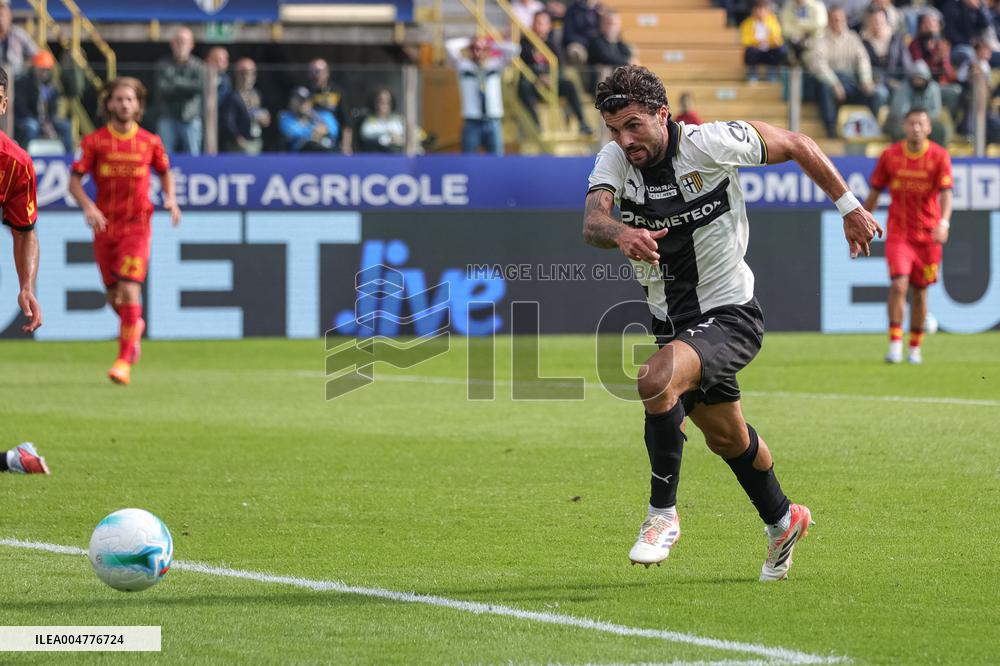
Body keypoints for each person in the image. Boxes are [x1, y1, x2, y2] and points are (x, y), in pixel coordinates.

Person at [583, 64, 881, 580]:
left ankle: (661, 515)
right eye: (614, 129)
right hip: (671, 321)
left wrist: (849, 206)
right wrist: (620, 233)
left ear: (662, 114)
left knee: (654, 379)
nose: (624, 140)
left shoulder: (712, 144)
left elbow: (798, 144)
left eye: (633, 125)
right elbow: (593, 222)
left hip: (729, 311)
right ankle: (783, 519)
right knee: (728, 438)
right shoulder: (614, 160)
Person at [69, 77, 182, 386]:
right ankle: (135, 326)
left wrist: (170, 198)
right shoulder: (94, 142)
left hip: (137, 226)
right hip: (105, 227)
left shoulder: (149, 141)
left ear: (138, 105)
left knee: (130, 290)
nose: (124, 104)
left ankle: (123, 361)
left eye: (129, 99)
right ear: (108, 104)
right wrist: (89, 207)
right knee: (114, 297)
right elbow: (74, 182)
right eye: (118, 99)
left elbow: (164, 172)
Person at [863, 108, 952, 365]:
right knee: (899, 285)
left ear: (929, 128)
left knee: (921, 292)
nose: (916, 128)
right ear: (904, 126)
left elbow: (946, 193)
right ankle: (894, 345)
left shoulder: (939, 156)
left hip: (928, 236)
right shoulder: (890, 156)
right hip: (899, 234)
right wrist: (862, 221)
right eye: (912, 123)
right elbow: (875, 192)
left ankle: (915, 348)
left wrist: (944, 223)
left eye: (921, 123)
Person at [0, 65, 48, 475]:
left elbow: (24, 231)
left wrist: (26, 285)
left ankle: (12, 460)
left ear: (3, 103)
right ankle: (13, 460)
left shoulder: (15, 163)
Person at [808, 7, 882, 137]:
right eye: (835, 19)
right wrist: (834, 83)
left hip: (850, 82)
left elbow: (862, 60)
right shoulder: (820, 39)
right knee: (826, 89)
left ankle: (873, 129)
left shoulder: (853, 38)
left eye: (841, 19)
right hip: (828, 83)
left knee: (876, 93)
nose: (838, 22)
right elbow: (818, 65)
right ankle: (831, 130)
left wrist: (866, 80)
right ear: (829, 21)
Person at [518, 11, 593, 135]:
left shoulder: (552, 44)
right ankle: (537, 125)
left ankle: (582, 123)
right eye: (537, 22)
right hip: (533, 84)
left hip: (550, 83)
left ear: (549, 26)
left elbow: (560, 66)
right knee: (523, 87)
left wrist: (550, 78)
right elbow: (523, 67)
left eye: (542, 23)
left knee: (569, 84)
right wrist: (538, 77)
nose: (539, 25)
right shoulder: (525, 43)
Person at [446, 36, 519, 155]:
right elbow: (449, 46)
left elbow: (514, 49)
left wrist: (491, 44)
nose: (478, 52)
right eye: (474, 49)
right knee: (468, 159)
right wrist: (469, 42)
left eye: (482, 49)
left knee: (496, 159)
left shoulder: (495, 65)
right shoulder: (464, 66)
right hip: (472, 121)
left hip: (493, 121)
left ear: (488, 50)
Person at [155, 27, 205, 155]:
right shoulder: (163, 64)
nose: (181, 45)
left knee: (193, 156)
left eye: (184, 41)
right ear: (172, 44)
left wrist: (175, 82)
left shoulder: (199, 65)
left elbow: (198, 87)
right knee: (164, 157)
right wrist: (187, 87)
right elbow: (163, 88)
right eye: (178, 41)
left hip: (191, 118)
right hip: (167, 117)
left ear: (192, 44)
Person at [14, 50, 72, 152]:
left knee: (66, 126)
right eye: (41, 69)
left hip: (47, 121)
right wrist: (42, 125)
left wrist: (49, 125)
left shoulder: (52, 87)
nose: (44, 72)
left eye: (47, 69)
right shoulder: (24, 83)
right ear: (35, 68)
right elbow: (22, 108)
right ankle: (24, 156)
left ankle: (68, 158)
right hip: (30, 119)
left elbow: (53, 110)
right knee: (31, 127)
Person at [885, 61, 949, 144]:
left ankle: (936, 152)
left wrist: (922, 122)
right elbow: (900, 111)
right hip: (902, 121)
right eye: (916, 78)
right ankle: (903, 152)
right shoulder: (903, 88)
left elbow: (935, 111)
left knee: (939, 130)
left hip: (926, 121)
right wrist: (914, 121)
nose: (918, 81)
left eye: (921, 79)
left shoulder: (933, 88)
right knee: (901, 131)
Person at [219, 57, 270, 154]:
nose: (248, 77)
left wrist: (265, 119)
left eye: (252, 73)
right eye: (244, 73)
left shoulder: (257, 94)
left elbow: (260, 114)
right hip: (239, 145)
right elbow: (228, 122)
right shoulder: (231, 97)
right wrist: (237, 137)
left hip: (256, 141)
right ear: (237, 74)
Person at [306, 59, 352, 154]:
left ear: (327, 73)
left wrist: (346, 145)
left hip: (333, 144)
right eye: (312, 71)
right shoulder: (305, 92)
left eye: (318, 71)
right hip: (309, 141)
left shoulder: (337, 92)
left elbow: (346, 121)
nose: (316, 75)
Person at [862, 8, 911, 89]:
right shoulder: (863, 42)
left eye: (880, 20)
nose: (877, 24)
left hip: (898, 82)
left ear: (886, 21)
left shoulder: (896, 40)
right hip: (875, 84)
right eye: (874, 21)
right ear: (868, 23)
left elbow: (906, 66)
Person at [279, 86, 339, 152]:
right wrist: (314, 132)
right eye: (300, 101)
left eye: (307, 100)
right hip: (300, 154)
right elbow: (292, 132)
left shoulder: (324, 115)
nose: (304, 104)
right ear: (292, 101)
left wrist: (313, 116)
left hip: (325, 153)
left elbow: (334, 131)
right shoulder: (285, 116)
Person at [740, 0, 786, 82]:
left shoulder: (773, 22)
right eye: (758, 9)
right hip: (756, 52)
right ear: (753, 11)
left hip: (769, 52)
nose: (760, 12)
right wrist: (758, 42)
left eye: (763, 9)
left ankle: (772, 73)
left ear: (768, 11)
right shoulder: (747, 23)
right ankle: (752, 73)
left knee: (780, 50)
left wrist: (768, 28)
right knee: (749, 51)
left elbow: (778, 39)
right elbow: (745, 40)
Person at [358, 88, 407, 153]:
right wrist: (389, 134)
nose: (385, 105)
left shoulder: (397, 120)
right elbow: (365, 134)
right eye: (381, 101)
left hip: (398, 155)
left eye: (388, 102)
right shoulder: (370, 120)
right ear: (375, 103)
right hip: (377, 155)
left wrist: (400, 139)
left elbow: (411, 135)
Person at [778, 0, 827, 64]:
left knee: (815, 60)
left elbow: (819, 24)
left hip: (815, 43)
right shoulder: (788, 6)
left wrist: (798, 25)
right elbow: (785, 29)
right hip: (793, 43)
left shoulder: (817, 5)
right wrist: (803, 30)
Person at [0, 0, 37, 76]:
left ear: (9, 16)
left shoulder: (18, 34)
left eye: (2, 15)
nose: (0, 19)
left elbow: (36, 53)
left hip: (17, 77)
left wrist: (25, 66)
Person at [562, 0, 603, 64]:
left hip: (598, 44)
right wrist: (586, 43)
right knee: (574, 52)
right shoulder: (572, 10)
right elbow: (568, 34)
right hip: (579, 44)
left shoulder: (601, 10)